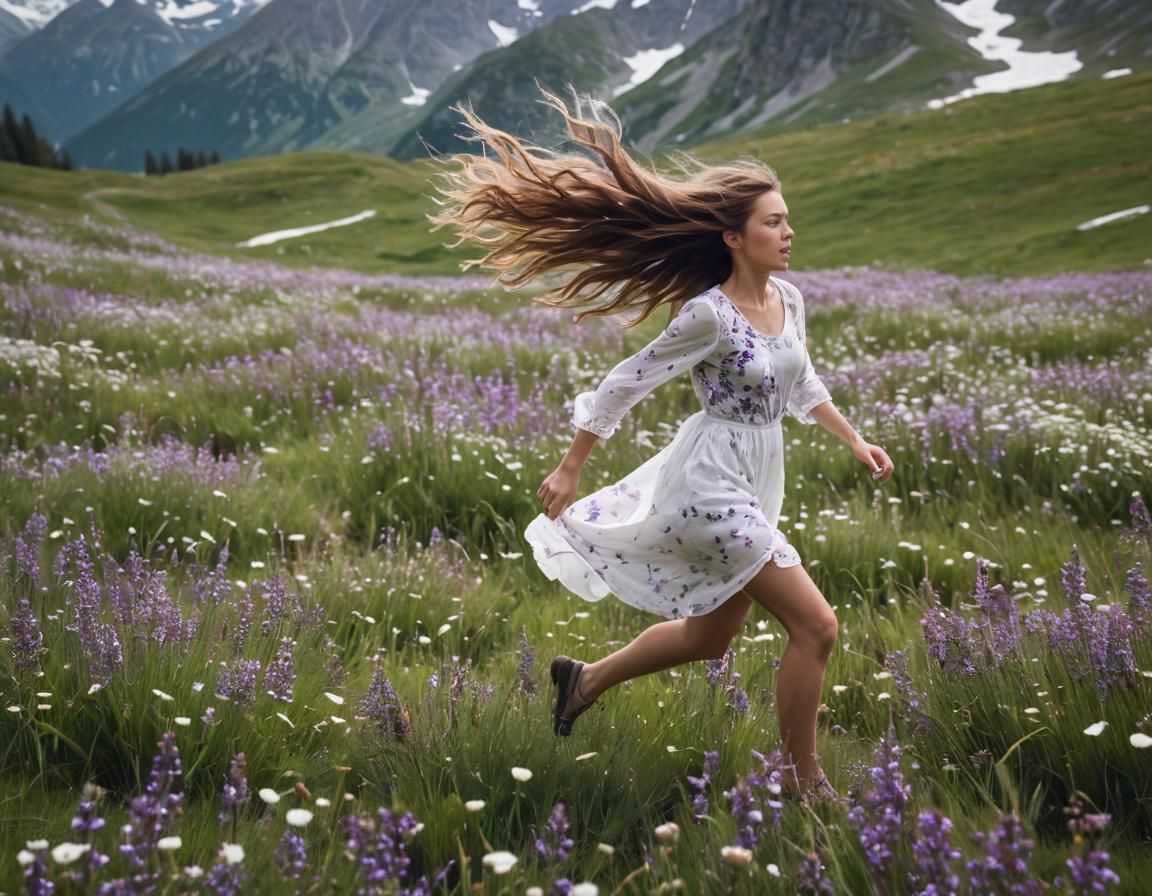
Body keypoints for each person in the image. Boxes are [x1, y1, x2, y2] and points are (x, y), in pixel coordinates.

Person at [432, 90, 893, 802]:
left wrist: (855, 439)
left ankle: (582, 681)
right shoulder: (709, 315)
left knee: (709, 639)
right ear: (734, 237)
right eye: (773, 222)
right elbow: (626, 381)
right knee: (817, 626)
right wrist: (570, 466)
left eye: (787, 220)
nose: (788, 232)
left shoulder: (790, 301)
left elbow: (802, 384)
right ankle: (804, 783)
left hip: (760, 474)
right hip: (710, 482)